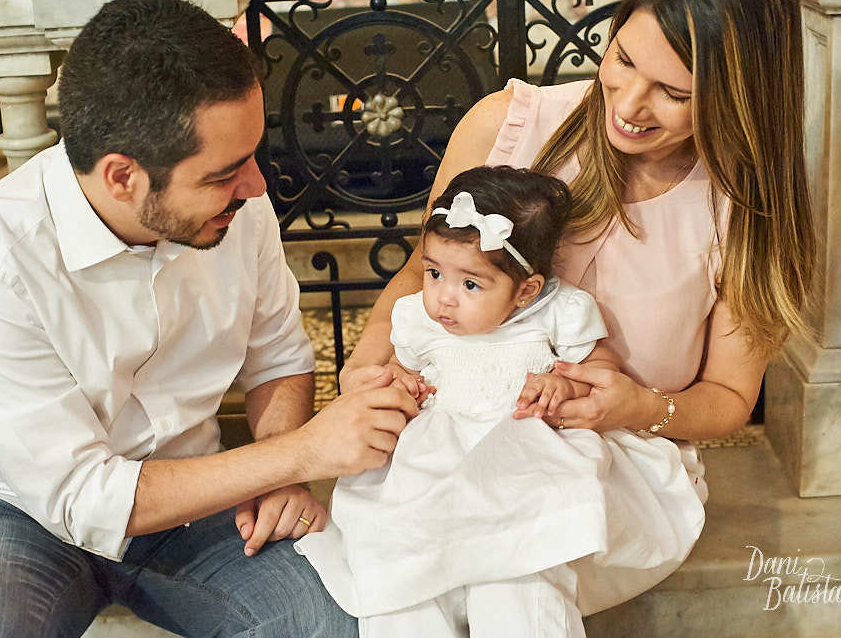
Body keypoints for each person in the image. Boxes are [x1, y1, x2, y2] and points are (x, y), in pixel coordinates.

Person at [0, 0, 418, 638]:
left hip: (200, 503)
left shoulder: (239, 207)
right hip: (19, 513)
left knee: (338, 624)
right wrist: (300, 453)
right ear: (123, 176)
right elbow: (80, 495)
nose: (258, 187)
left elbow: (281, 356)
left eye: (253, 157)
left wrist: (277, 466)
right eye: (225, 173)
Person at [339, 0, 815, 628]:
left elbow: (730, 397)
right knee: (408, 592)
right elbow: (421, 276)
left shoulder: (743, 211)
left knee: (516, 567)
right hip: (449, 436)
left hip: (613, 464)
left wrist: (642, 405)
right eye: (622, 59)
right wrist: (368, 367)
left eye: (674, 93)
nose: (627, 105)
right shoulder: (506, 126)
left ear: (742, 92)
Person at [297, 166, 706, 637]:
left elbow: (601, 373)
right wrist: (401, 383)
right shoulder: (416, 320)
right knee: (403, 576)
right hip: (436, 463)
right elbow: (400, 371)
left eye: (470, 284)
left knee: (522, 570)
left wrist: (563, 386)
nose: (444, 298)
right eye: (433, 273)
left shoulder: (558, 312)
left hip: (524, 457)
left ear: (526, 290)